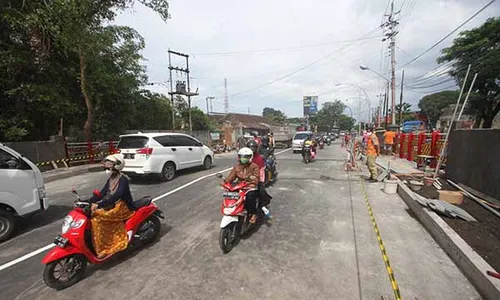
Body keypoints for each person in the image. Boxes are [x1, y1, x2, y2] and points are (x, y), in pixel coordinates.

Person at [90, 154, 135, 258]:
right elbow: (102, 193)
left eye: (109, 164)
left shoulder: (123, 179)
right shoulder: (111, 178)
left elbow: (116, 196)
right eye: (106, 164)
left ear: (117, 166)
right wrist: (88, 201)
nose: (106, 166)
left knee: (97, 218)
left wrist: (99, 204)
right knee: (92, 215)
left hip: (123, 207)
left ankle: (108, 247)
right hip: (113, 205)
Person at [224, 147, 260, 224]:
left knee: (250, 197)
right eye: (242, 156)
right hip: (240, 186)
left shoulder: (254, 166)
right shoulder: (237, 167)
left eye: (246, 157)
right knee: (230, 195)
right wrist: (226, 182)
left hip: (250, 187)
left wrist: (251, 180)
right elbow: (231, 177)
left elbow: (256, 178)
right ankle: (233, 210)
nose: (244, 158)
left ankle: (253, 213)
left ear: (250, 157)